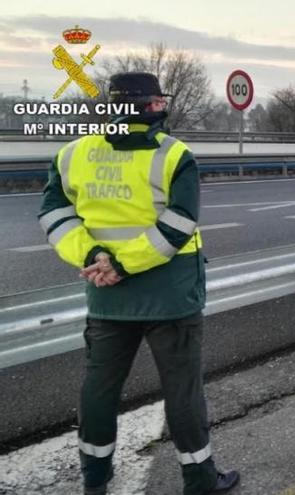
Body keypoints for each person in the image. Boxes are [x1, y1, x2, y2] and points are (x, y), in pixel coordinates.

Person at [38, 72, 240, 495]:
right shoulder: (172, 154)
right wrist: (124, 264)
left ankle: (94, 479)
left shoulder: (73, 154)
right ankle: (200, 480)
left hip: (107, 295)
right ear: (152, 106)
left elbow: (55, 215)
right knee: (183, 391)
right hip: (171, 295)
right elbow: (180, 223)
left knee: (99, 388)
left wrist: (95, 259)